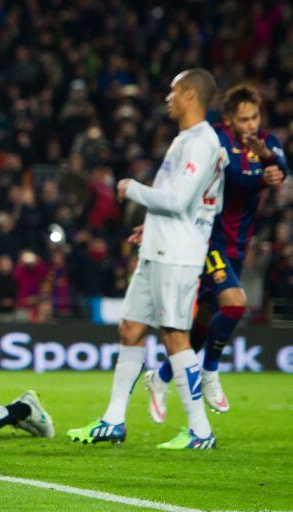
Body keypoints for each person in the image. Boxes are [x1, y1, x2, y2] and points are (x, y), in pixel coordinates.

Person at [67, 68, 223, 449]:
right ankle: (114, 419)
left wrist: (130, 188)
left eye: (173, 91)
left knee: (174, 336)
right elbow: (177, 201)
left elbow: (177, 201)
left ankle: (201, 430)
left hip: (179, 254)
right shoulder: (185, 139)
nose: (167, 98)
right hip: (159, 247)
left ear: (189, 94)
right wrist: (147, 229)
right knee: (131, 329)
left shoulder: (201, 142)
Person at [143, 84, 288, 421]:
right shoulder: (216, 139)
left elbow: (282, 166)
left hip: (239, 243)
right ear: (228, 119)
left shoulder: (267, 140)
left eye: (255, 117)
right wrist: (264, 173)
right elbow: (237, 179)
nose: (251, 125)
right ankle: (210, 372)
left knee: (203, 328)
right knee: (236, 304)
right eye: (243, 119)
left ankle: (160, 377)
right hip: (208, 237)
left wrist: (268, 159)